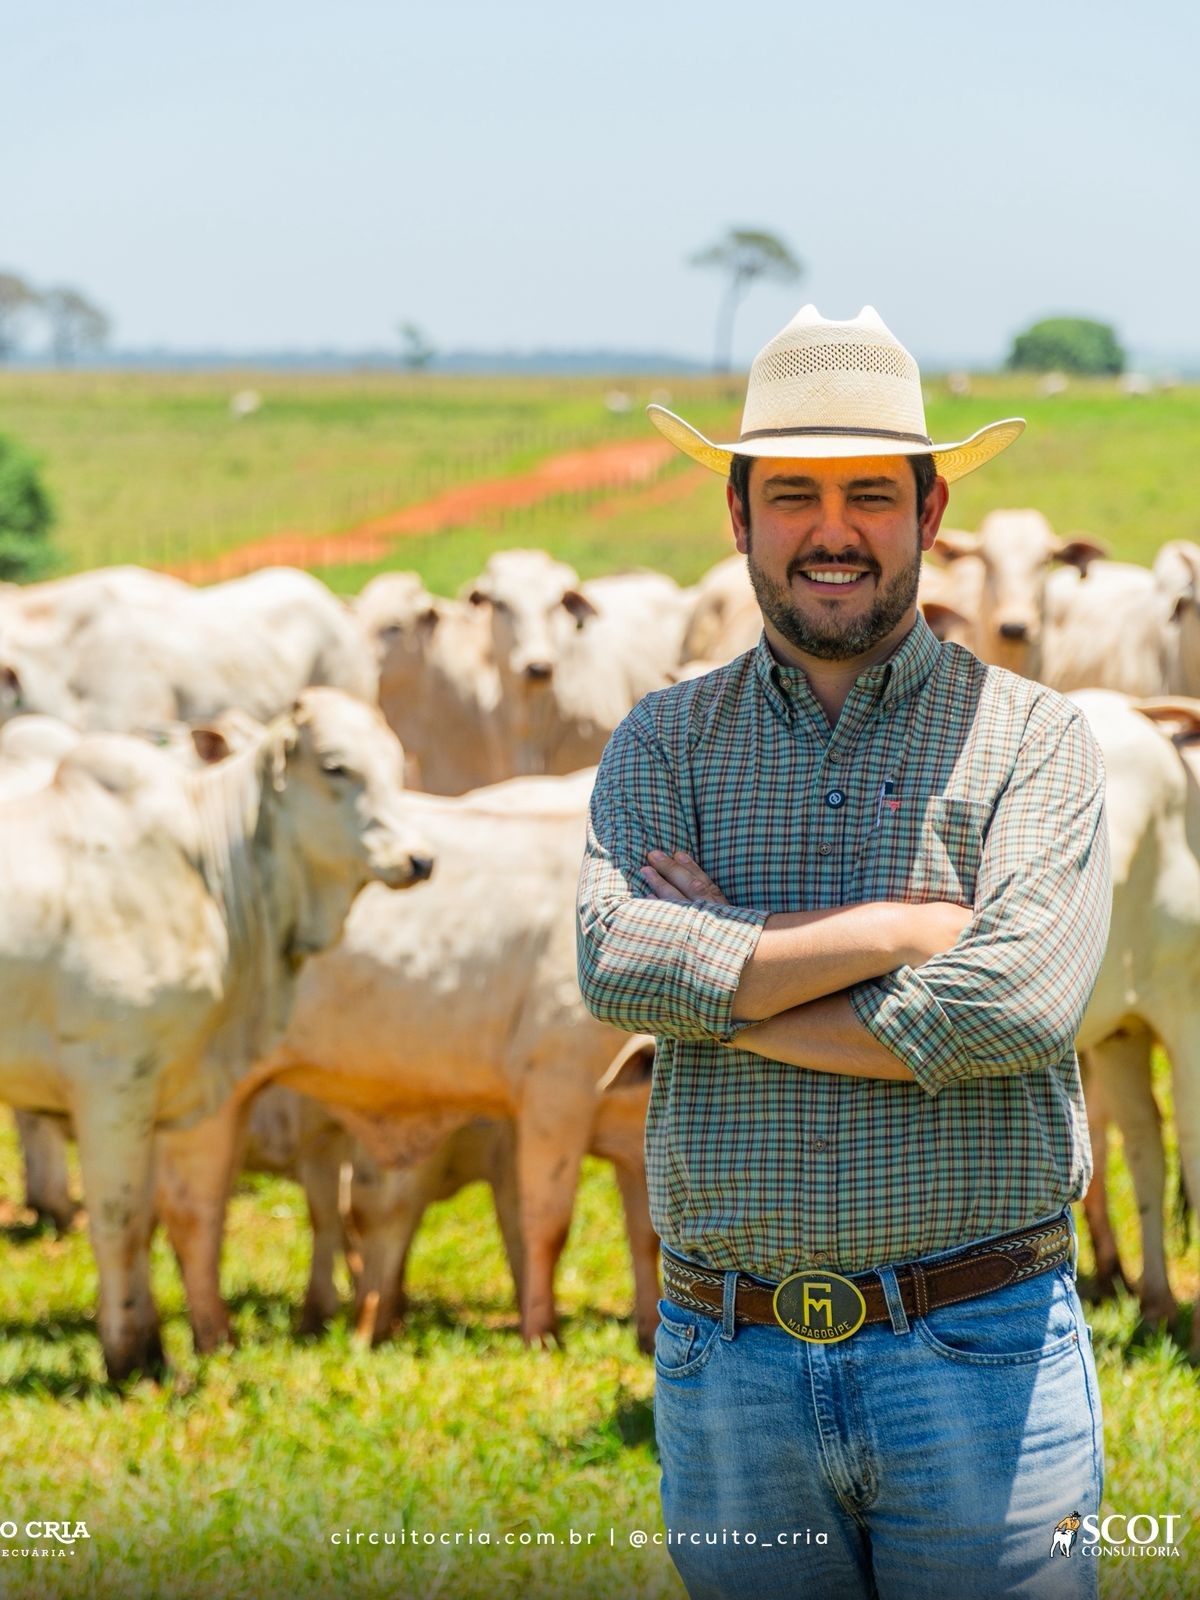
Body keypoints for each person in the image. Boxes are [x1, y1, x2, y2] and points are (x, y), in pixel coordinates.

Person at [576, 305, 1111, 1600]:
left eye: (872, 494)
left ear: (929, 517)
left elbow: (1015, 1005)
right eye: (795, 495)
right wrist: (897, 933)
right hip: (730, 1364)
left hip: (979, 1353)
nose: (834, 530)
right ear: (739, 515)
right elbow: (614, 965)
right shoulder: (662, 743)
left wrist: (725, 995)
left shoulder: (1036, 742)